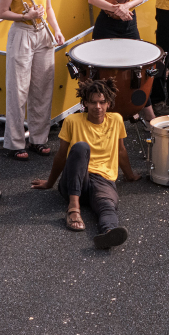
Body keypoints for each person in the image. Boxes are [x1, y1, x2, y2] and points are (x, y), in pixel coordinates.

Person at [31, 78, 140, 249]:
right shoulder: (72, 121)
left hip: (103, 179)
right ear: (85, 103)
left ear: (109, 103)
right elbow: (61, 156)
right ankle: (73, 209)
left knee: (107, 206)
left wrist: (130, 175)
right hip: (76, 179)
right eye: (93, 102)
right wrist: (49, 183)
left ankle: (108, 233)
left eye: (102, 102)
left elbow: (121, 151)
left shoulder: (116, 120)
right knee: (81, 148)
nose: (98, 107)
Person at [0, 0, 66, 161]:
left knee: (43, 89)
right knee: (18, 90)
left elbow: (49, 7)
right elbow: (2, 12)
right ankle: (15, 142)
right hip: (22, 34)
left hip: (43, 34)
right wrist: (25, 15)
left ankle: (39, 139)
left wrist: (56, 30)